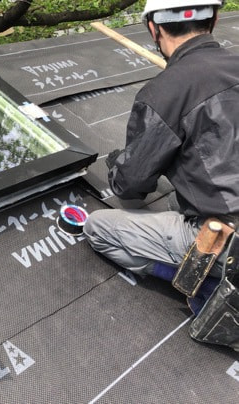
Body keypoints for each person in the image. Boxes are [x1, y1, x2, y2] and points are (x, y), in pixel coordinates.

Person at [84, 0, 238, 309]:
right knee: (175, 202)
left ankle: (208, 285)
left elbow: (131, 185)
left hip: (227, 239)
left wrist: (119, 164)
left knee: (98, 228)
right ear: (215, 18)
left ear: (154, 28)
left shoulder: (165, 92)